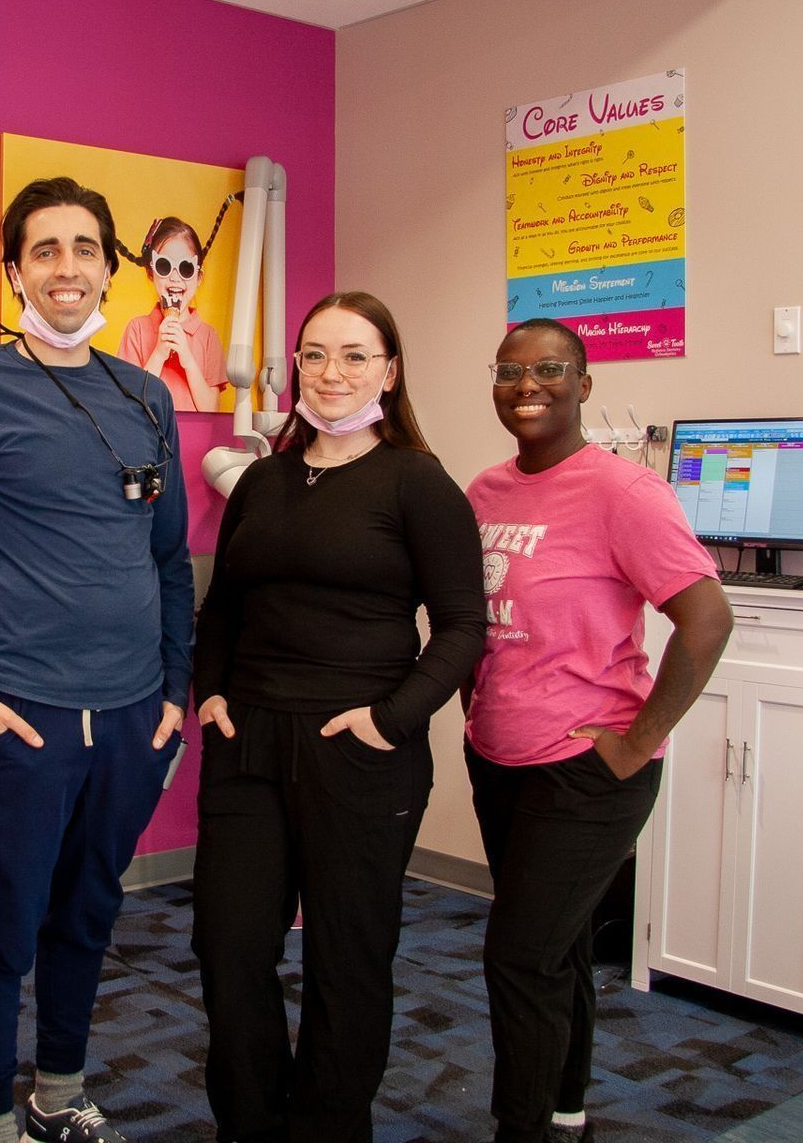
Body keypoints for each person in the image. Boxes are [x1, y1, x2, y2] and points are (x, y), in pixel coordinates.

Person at [0, 176, 192, 1143]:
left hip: (130, 719)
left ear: (111, 264)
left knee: (88, 917)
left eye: (84, 247)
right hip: (20, 718)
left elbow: (170, 561)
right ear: (16, 269)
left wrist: (175, 694)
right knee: (0, 928)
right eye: (44, 250)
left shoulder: (145, 394)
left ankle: (59, 1095)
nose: (66, 268)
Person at [191, 291, 486, 1142]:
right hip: (247, 744)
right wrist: (210, 690)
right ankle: (250, 1123)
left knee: (346, 960)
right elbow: (225, 606)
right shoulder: (264, 480)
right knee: (229, 948)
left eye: (356, 355)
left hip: (358, 753)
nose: (332, 373)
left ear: (389, 372)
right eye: (316, 354)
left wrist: (390, 720)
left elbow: (464, 625)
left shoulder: (417, 484)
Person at [463, 318, 733, 1143]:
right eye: (510, 371)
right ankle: (567, 1108)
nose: (529, 386)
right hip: (498, 755)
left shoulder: (623, 492)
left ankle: (525, 1130)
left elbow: (707, 620)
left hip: (586, 768)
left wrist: (635, 741)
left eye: (550, 370)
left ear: (584, 385)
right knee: (557, 945)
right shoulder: (483, 491)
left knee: (518, 956)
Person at [117, 213, 229, 412]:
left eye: (186, 268)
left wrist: (187, 359)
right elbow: (130, 406)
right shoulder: (137, 329)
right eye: (164, 266)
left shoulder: (208, 336)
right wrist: (159, 353)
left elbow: (211, 410)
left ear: (198, 277)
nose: (175, 278)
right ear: (151, 273)